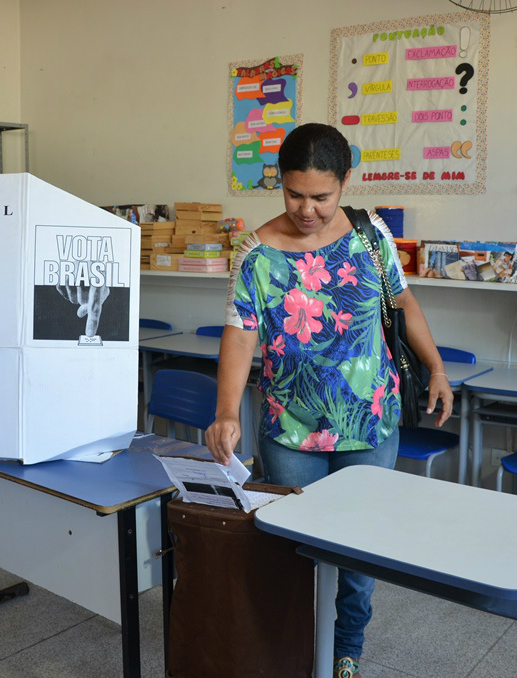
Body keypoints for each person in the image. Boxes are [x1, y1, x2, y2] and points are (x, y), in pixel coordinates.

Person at [205, 122, 453, 678]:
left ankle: (347, 651)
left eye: (321, 196)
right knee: (294, 548)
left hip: (369, 424)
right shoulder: (257, 255)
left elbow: (404, 305)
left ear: (345, 182)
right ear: (280, 182)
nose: (307, 209)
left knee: (359, 551)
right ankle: (295, 644)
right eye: (295, 194)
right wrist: (225, 413)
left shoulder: (371, 236)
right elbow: (240, 332)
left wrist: (437, 368)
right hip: (291, 430)